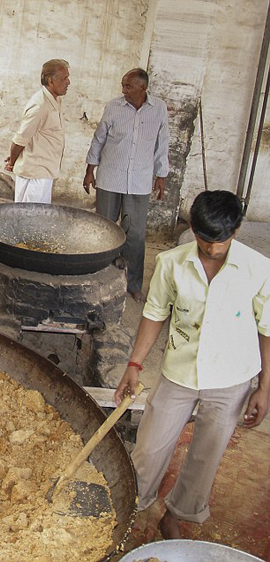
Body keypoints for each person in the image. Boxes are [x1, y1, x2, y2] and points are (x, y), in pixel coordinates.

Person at [114, 190, 269, 540]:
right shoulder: (171, 262)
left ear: (237, 231)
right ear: (193, 229)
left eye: (222, 240)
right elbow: (154, 314)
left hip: (232, 378)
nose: (213, 248)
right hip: (179, 372)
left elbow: (267, 330)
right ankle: (131, 505)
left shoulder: (258, 269)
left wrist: (265, 387)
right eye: (204, 239)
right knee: (150, 447)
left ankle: (176, 514)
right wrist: (135, 364)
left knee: (206, 455)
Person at [84, 68, 169, 302]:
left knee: (135, 236)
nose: (123, 90)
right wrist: (90, 170)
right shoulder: (113, 106)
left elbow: (162, 144)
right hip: (110, 178)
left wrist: (161, 175)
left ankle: (132, 284)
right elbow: (99, 138)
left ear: (143, 87)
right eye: (123, 85)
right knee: (103, 229)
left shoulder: (159, 109)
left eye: (128, 86)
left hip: (140, 181)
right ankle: (98, 276)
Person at [4, 59, 70, 203]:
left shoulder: (55, 100)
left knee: (33, 218)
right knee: (29, 218)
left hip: (43, 171)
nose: (68, 82)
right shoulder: (40, 105)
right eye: (64, 78)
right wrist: (12, 162)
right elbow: (21, 138)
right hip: (35, 174)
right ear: (51, 81)